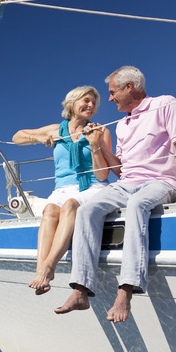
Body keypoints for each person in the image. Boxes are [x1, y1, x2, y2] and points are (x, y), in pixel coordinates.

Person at [55, 66, 176, 322]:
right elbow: (120, 170)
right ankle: (81, 290)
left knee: (137, 205)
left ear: (129, 87)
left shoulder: (165, 103)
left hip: (160, 181)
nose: (109, 99)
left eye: (112, 92)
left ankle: (126, 291)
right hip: (127, 183)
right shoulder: (122, 125)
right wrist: (96, 144)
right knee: (87, 210)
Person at [13, 86, 112, 295]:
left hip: (92, 185)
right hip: (62, 187)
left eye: (94, 103)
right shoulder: (55, 129)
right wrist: (37, 138)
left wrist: (94, 144)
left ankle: (48, 268)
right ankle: (40, 270)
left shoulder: (100, 131)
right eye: (86, 101)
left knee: (69, 206)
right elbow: (17, 137)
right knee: (49, 211)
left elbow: (103, 175)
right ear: (72, 103)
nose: (91, 106)